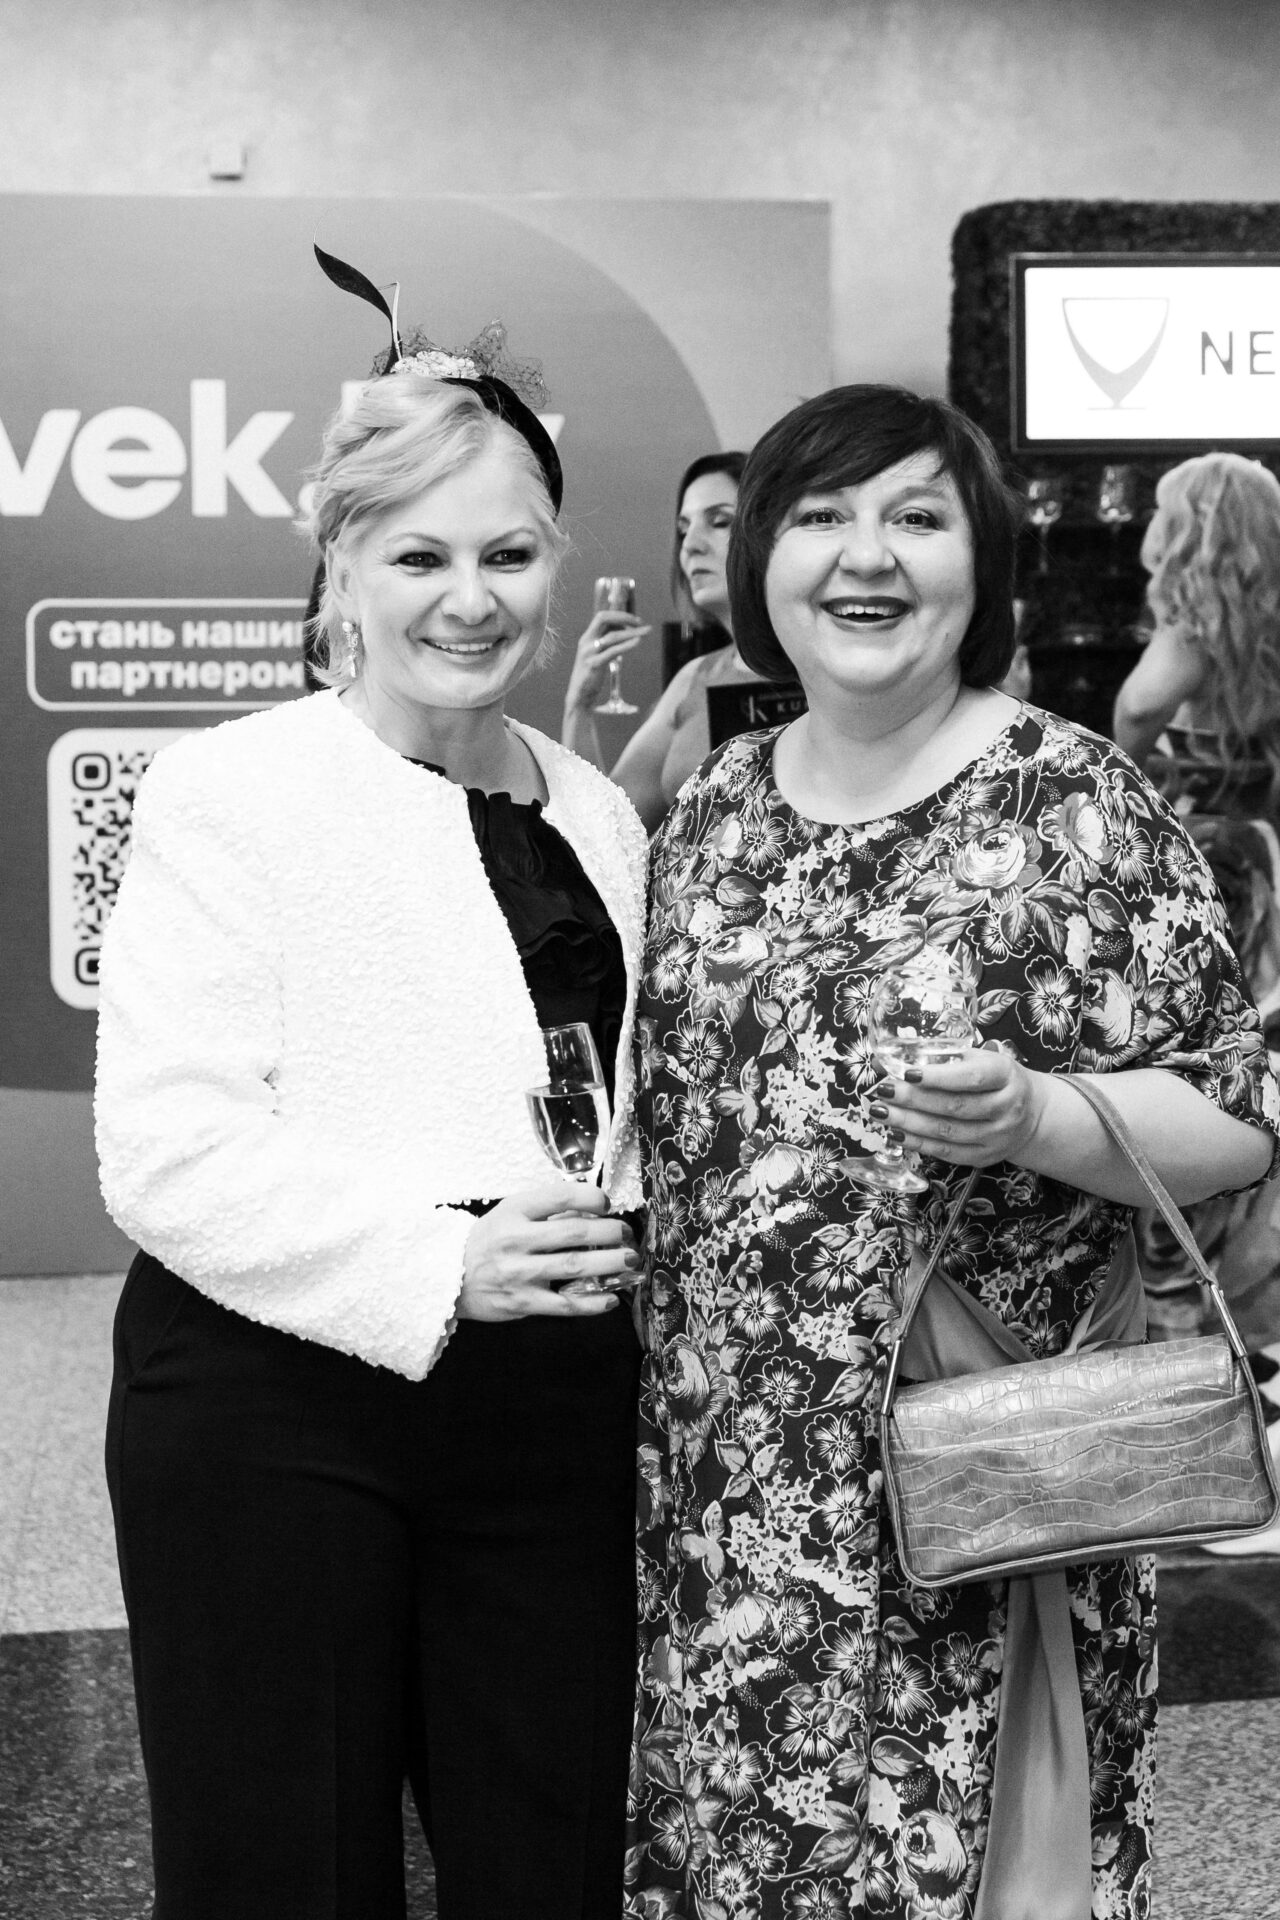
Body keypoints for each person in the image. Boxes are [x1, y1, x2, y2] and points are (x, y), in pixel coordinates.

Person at [627, 385, 1279, 1920]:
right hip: (730, 1487)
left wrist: (1041, 1117)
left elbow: (1239, 1116)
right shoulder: (718, 806)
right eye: (822, 517)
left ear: (979, 565)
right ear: (762, 566)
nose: (868, 555)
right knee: (745, 1855)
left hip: (979, 1482)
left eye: (916, 518)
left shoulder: (1075, 804)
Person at [97, 288, 649, 1920]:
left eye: (510, 553)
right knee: (287, 1871)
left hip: (549, 1412)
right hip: (273, 1404)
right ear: (342, 565)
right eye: (420, 555)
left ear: (556, 562)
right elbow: (168, 1153)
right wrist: (441, 1261)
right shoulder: (231, 790)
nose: (471, 598)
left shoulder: (602, 811)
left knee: (551, 1865)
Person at [562, 451, 759, 830]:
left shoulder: (818, 670)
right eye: (684, 530)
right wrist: (580, 704)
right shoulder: (696, 677)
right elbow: (608, 830)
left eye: (720, 522)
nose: (690, 545)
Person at [1113, 450, 1280, 816]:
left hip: (1210, 822)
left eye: (1162, 512)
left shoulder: (1196, 627)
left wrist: (1120, 782)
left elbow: (1141, 708)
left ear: (1187, 530)